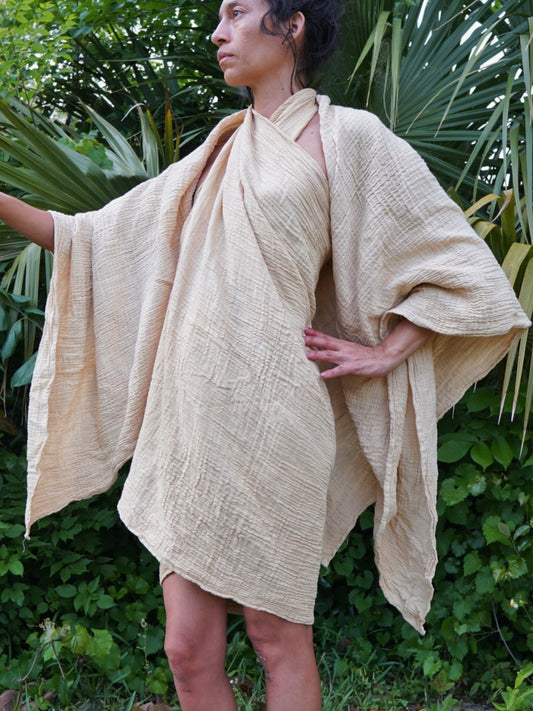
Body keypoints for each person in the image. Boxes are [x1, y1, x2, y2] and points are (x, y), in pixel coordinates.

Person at [0, 1, 530, 709]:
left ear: (292, 24)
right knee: (186, 649)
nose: (218, 32)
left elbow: (459, 269)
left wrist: (387, 351)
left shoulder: (351, 138)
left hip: (277, 415)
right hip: (189, 415)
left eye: (237, 13)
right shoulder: (217, 153)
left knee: (274, 635)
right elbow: (89, 238)